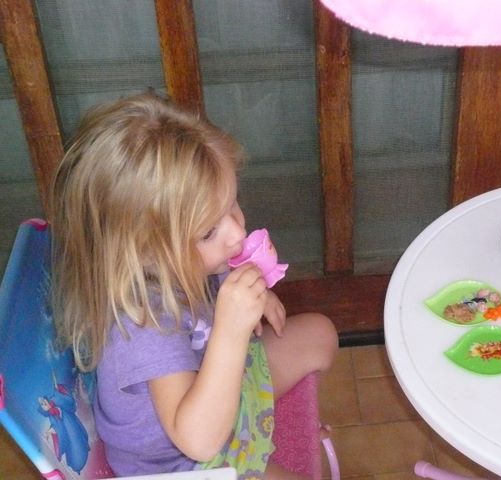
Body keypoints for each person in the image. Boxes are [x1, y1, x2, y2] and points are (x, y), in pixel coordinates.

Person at [50, 92, 338, 479]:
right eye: (208, 231)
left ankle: (262, 428)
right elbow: (198, 441)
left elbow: (217, 284)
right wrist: (232, 331)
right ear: (145, 253)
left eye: (232, 204)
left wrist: (253, 292)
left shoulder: (182, 259)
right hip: (185, 460)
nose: (237, 233)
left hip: (217, 383)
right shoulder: (143, 326)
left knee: (319, 333)